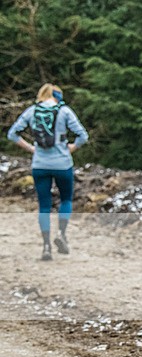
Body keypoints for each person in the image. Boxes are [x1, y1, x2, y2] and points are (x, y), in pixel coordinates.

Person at [7, 83, 89, 261]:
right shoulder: (65, 111)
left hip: (40, 165)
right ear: (57, 95)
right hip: (62, 164)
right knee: (66, 199)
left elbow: (12, 134)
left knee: (44, 205)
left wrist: (31, 148)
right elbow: (83, 135)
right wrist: (72, 148)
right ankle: (61, 233)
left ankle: (46, 247)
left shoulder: (31, 111)